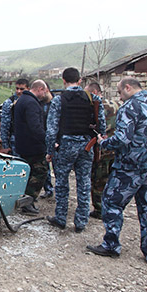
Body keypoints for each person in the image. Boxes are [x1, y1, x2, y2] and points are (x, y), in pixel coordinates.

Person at [87, 77, 147, 263]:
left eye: (120, 92)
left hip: (130, 166)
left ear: (128, 87)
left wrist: (103, 142)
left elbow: (122, 139)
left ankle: (111, 244)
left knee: (111, 202)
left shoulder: (129, 107)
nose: (120, 97)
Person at [45, 67, 105, 233]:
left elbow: (51, 130)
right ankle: (81, 221)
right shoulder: (92, 98)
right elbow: (102, 126)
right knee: (84, 183)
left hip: (65, 147)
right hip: (86, 147)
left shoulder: (59, 100)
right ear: (80, 81)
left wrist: (50, 151)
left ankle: (61, 218)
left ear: (64, 81)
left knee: (62, 184)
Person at [13, 79, 50, 215]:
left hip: (23, 145)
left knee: (27, 174)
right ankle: (28, 202)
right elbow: (35, 127)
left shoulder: (22, 100)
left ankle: (25, 200)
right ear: (40, 89)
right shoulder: (31, 103)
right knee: (40, 172)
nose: (45, 94)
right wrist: (47, 141)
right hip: (33, 146)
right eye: (44, 91)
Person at [84, 82, 119, 219]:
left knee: (98, 180)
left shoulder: (96, 107)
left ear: (95, 92)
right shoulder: (116, 105)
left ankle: (99, 209)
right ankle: (112, 206)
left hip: (102, 149)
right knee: (112, 179)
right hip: (115, 148)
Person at [0, 78, 29, 155]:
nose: (19, 91)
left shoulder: (32, 102)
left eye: (22, 89)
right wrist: (5, 145)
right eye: (17, 88)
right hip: (15, 141)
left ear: (28, 89)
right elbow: (4, 126)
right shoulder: (9, 103)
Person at [40, 82, 55, 199]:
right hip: (43, 138)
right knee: (44, 165)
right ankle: (48, 189)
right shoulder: (39, 104)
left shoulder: (56, 103)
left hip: (55, 139)